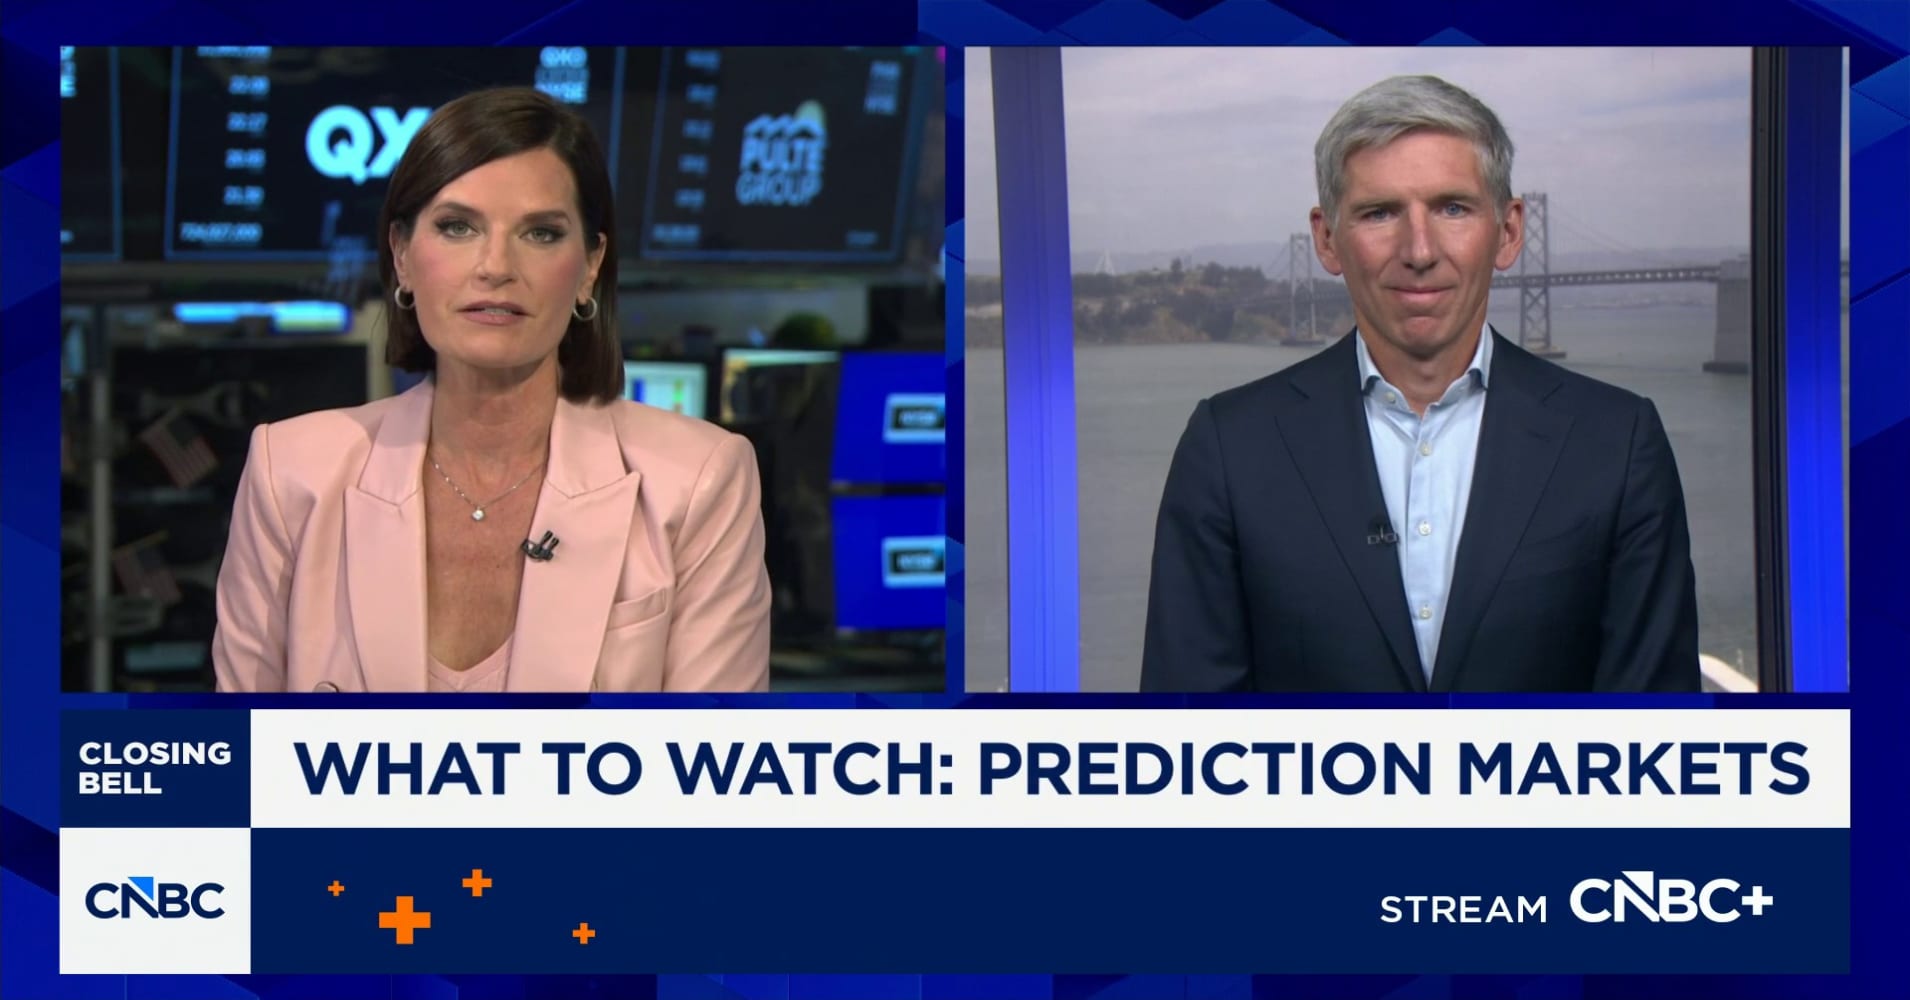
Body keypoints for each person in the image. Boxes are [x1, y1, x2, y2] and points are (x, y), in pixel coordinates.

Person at [1141, 75, 1698, 693]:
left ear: (1509, 231)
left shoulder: (1617, 444)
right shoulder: (1229, 448)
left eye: (1453, 208)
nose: (1420, 250)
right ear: (1326, 239)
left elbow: (1655, 732)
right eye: (1379, 213)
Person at [213, 87, 771, 692]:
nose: (496, 267)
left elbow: (712, 750)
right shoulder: (291, 473)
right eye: (457, 227)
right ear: (402, 255)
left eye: (541, 233)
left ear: (590, 265)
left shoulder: (698, 480)